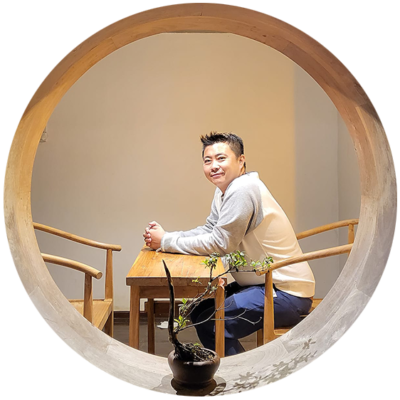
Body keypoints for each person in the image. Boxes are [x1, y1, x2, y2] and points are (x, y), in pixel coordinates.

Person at [143, 132, 315, 356]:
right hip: (261, 283)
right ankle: (234, 368)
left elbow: (221, 243)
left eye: (221, 158)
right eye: (207, 160)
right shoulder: (225, 190)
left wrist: (166, 241)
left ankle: (242, 374)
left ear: (241, 160)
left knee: (212, 323)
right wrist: (167, 237)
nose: (214, 166)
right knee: (199, 311)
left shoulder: (243, 189)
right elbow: (210, 230)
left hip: (286, 292)